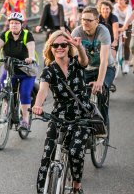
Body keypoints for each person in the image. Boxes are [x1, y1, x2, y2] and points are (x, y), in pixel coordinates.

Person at [32, 30, 90, 194]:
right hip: (60, 115)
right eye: (55, 45)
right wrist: (38, 105)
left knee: (76, 152)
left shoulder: (76, 62)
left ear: (68, 46)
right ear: (50, 48)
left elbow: (85, 61)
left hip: (81, 115)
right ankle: (42, 190)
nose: (60, 48)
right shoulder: (49, 70)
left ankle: (77, 186)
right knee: (46, 156)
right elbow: (43, 90)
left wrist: (80, 48)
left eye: (63, 44)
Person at [0, 12, 36, 130]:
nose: (14, 25)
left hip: (26, 70)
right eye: (12, 23)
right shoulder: (5, 35)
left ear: (21, 25)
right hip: (10, 68)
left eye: (16, 23)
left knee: (24, 93)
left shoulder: (27, 35)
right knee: (3, 87)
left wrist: (31, 58)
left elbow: (31, 48)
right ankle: (5, 111)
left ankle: (25, 120)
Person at [71, 6, 116, 128]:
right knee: (79, 93)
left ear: (97, 21)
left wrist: (100, 82)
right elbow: (74, 60)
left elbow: (104, 60)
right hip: (87, 68)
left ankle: (102, 124)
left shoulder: (103, 31)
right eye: (83, 19)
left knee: (102, 90)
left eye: (89, 20)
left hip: (107, 67)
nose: (85, 22)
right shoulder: (76, 32)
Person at [113, 0, 132, 73]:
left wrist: (124, 28)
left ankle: (126, 64)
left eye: (121, 0)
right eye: (118, 0)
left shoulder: (129, 7)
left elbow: (128, 18)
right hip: (118, 24)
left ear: (125, 0)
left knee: (126, 45)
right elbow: (115, 18)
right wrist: (116, 28)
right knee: (115, 41)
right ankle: (114, 61)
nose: (119, 2)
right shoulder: (116, 6)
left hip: (128, 24)